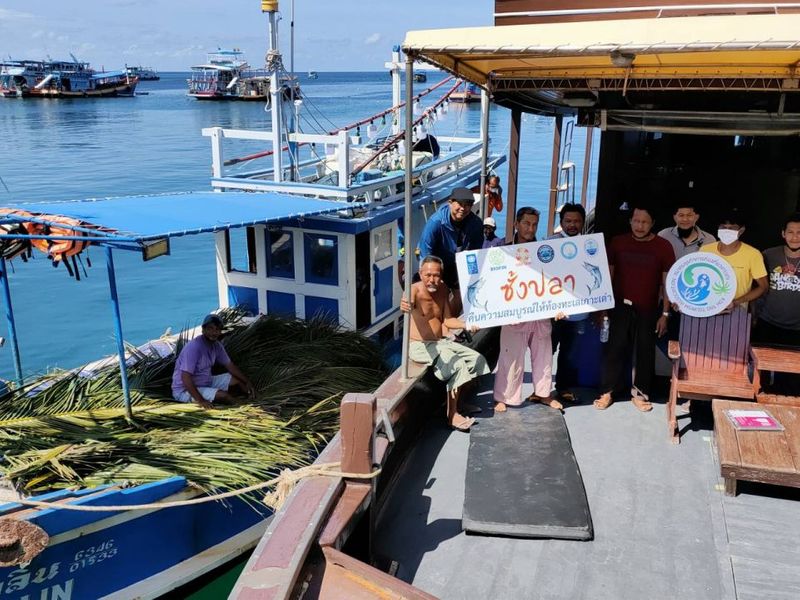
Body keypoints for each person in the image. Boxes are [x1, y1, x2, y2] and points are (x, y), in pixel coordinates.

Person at [594, 204, 675, 412]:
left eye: (645, 222)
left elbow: (667, 283)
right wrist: (602, 308)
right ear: (630, 221)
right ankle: (607, 392)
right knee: (614, 349)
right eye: (636, 221)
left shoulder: (663, 246)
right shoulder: (618, 242)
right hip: (619, 306)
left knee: (645, 351)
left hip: (649, 308)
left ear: (653, 224)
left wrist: (665, 314)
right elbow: (608, 276)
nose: (640, 226)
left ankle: (640, 393)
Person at [401, 256, 490, 431]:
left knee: (477, 360)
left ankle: (461, 403)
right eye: (428, 275)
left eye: (436, 275)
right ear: (420, 274)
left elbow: (448, 320)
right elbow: (407, 301)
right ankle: (452, 416)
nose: (432, 279)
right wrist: (405, 303)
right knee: (457, 365)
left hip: (439, 342)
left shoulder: (442, 289)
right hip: (419, 345)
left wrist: (466, 324)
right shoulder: (414, 290)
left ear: (441, 275)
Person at [494, 206, 564, 412]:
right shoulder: (503, 250)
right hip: (513, 313)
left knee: (543, 355)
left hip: (540, 313)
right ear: (516, 224)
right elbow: (494, 284)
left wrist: (560, 306)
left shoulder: (544, 252)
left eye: (534, 224)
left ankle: (544, 394)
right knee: (510, 357)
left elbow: (555, 282)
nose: (530, 228)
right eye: (526, 223)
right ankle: (503, 397)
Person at [752, 213, 800, 394]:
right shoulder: (769, 255)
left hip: (797, 329)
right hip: (768, 323)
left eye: (799, 232)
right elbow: (758, 287)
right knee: (762, 376)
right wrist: (755, 315)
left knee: (792, 380)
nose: (795, 237)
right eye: (791, 232)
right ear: (783, 233)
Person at [657, 202, 715, 344]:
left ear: (697, 217)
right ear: (674, 217)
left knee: (693, 342)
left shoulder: (710, 240)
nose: (685, 219)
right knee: (665, 340)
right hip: (666, 299)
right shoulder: (663, 235)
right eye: (681, 215)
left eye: (689, 215)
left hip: (696, 301)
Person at [171, 314, 255, 409]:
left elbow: (230, 365)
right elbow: (185, 377)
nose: (214, 332)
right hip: (184, 391)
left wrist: (247, 381)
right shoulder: (194, 347)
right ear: (203, 329)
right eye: (210, 328)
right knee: (224, 396)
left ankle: (252, 396)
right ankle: (245, 408)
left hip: (205, 381)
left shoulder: (217, 346)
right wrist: (201, 401)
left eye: (217, 329)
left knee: (238, 380)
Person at [548, 203, 587, 402]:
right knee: (546, 350)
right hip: (553, 311)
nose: (572, 225)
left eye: (577, 221)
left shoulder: (591, 246)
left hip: (579, 313)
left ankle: (564, 388)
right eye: (568, 221)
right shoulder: (548, 244)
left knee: (570, 354)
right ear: (561, 222)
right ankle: (542, 389)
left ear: (583, 222)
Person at [700, 209, 767, 310]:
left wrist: (736, 302)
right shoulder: (705, 250)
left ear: (741, 230)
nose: (727, 230)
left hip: (737, 311)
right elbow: (697, 278)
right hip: (706, 307)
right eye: (723, 227)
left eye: (732, 228)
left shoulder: (753, 254)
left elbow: (763, 287)